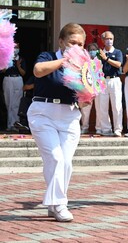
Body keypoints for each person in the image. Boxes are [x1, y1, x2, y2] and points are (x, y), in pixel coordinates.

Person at [27, 23, 88, 222]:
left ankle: (54, 204)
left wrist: (87, 96)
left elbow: (85, 99)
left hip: (69, 115)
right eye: (72, 42)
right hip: (43, 112)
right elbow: (37, 71)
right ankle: (60, 204)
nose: (76, 47)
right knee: (55, 158)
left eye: (80, 44)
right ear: (61, 41)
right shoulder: (49, 57)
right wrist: (64, 61)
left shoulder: (83, 66)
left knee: (66, 162)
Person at [95, 31, 123, 136]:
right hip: (102, 80)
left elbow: (118, 64)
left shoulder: (117, 52)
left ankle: (118, 129)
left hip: (114, 80)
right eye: (107, 39)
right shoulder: (99, 53)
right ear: (102, 40)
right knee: (103, 106)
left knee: (116, 105)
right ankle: (106, 129)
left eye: (111, 39)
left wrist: (106, 58)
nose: (109, 41)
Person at [2, 42, 26, 131]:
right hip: (8, 79)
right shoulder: (5, 58)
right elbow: (3, 71)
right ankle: (9, 125)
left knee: (17, 102)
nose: (16, 48)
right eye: (14, 47)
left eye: (17, 47)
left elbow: (23, 73)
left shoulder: (21, 59)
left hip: (18, 79)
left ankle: (16, 124)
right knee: (9, 102)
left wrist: (18, 66)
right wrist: (8, 62)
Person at [80, 43, 100, 134]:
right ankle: (84, 127)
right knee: (86, 108)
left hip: (98, 87)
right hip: (87, 86)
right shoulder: (84, 62)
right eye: (90, 49)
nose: (92, 51)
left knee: (100, 108)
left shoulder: (100, 60)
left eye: (94, 49)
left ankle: (99, 128)